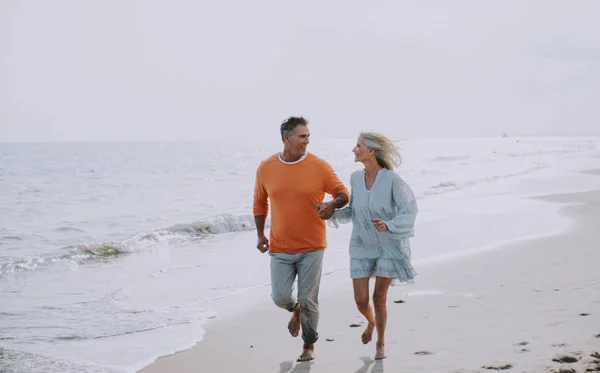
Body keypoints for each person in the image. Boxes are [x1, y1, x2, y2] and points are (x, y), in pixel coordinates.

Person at [253, 116, 349, 362]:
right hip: (280, 246)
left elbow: (342, 193)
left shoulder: (319, 166)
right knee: (280, 297)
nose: (307, 141)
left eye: (308, 136)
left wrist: (331, 204)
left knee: (309, 299)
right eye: (302, 136)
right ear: (287, 137)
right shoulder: (266, 167)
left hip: (312, 246)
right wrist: (260, 234)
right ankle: (294, 309)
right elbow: (259, 201)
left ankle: (308, 346)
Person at [318, 131, 418, 360]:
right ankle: (371, 322)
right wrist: (330, 212)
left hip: (388, 245)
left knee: (378, 297)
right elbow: (354, 212)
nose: (354, 150)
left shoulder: (392, 180)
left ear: (371, 151)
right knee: (361, 300)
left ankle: (381, 343)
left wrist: (390, 225)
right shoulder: (355, 178)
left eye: (358, 146)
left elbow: (409, 209)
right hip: (361, 244)